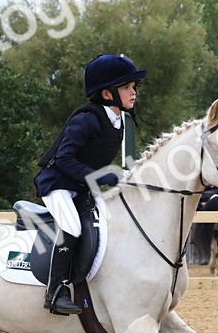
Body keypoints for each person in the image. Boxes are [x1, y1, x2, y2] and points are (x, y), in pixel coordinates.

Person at [33, 53, 145, 315]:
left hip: (80, 187)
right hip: (56, 184)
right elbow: (64, 158)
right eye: (127, 87)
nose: (134, 92)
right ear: (107, 94)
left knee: (109, 221)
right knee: (72, 226)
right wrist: (99, 176)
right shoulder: (86, 119)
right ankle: (56, 292)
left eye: (134, 87)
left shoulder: (118, 121)